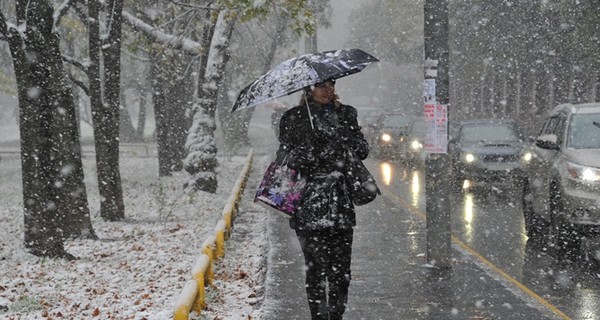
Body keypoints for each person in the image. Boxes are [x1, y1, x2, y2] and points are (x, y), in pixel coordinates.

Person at [276, 78, 369, 320]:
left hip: (340, 203)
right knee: (316, 271)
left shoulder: (346, 114)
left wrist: (344, 139)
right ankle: (318, 316)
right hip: (308, 204)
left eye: (331, 85)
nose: (327, 91)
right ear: (309, 89)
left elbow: (362, 150)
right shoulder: (294, 118)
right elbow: (284, 160)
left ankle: (336, 315)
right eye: (321, 86)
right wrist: (309, 150)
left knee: (341, 273)